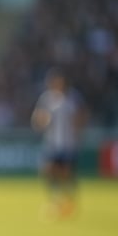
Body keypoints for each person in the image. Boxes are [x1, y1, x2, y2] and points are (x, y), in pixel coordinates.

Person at [31, 69, 86, 217]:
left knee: (66, 173)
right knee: (48, 170)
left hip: (68, 143)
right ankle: (54, 201)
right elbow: (38, 118)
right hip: (52, 142)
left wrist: (78, 131)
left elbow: (80, 117)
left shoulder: (73, 97)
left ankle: (69, 200)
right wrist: (42, 121)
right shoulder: (47, 98)